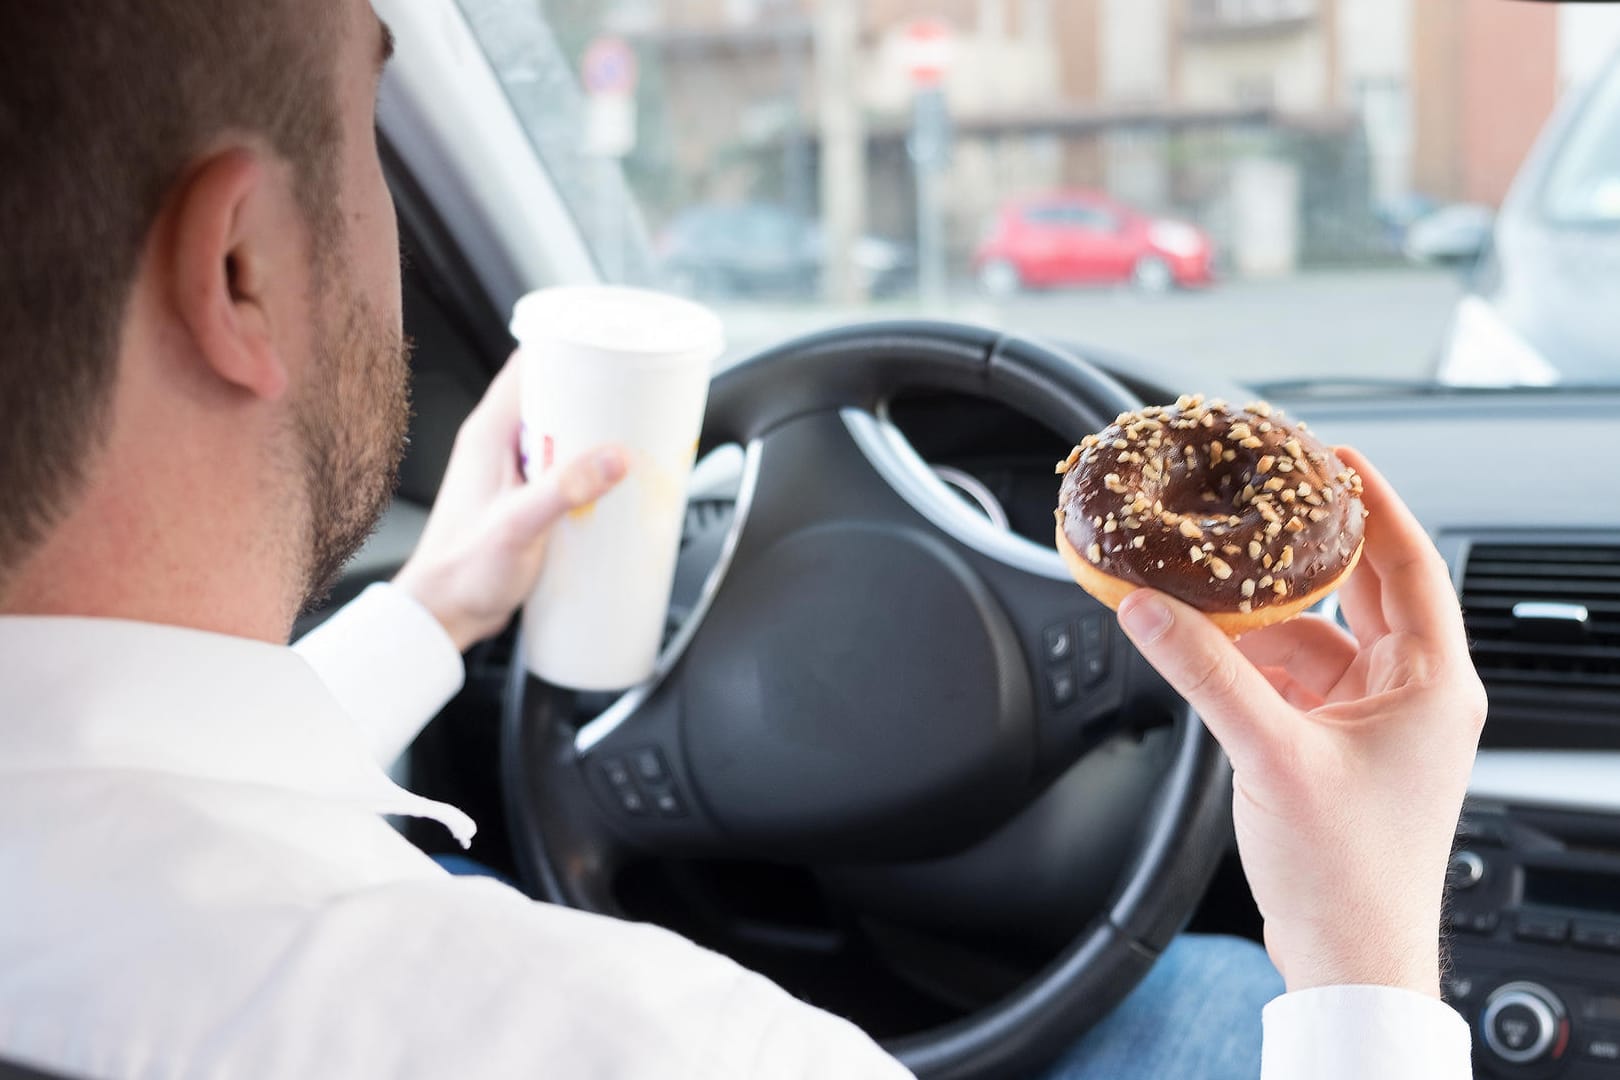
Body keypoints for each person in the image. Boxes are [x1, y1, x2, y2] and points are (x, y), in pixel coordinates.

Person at [0, 2, 1484, 1078]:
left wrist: (438, 611)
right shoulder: (645, 1044)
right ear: (242, 267)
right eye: (370, 141)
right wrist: (1368, 974)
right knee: (1225, 1002)